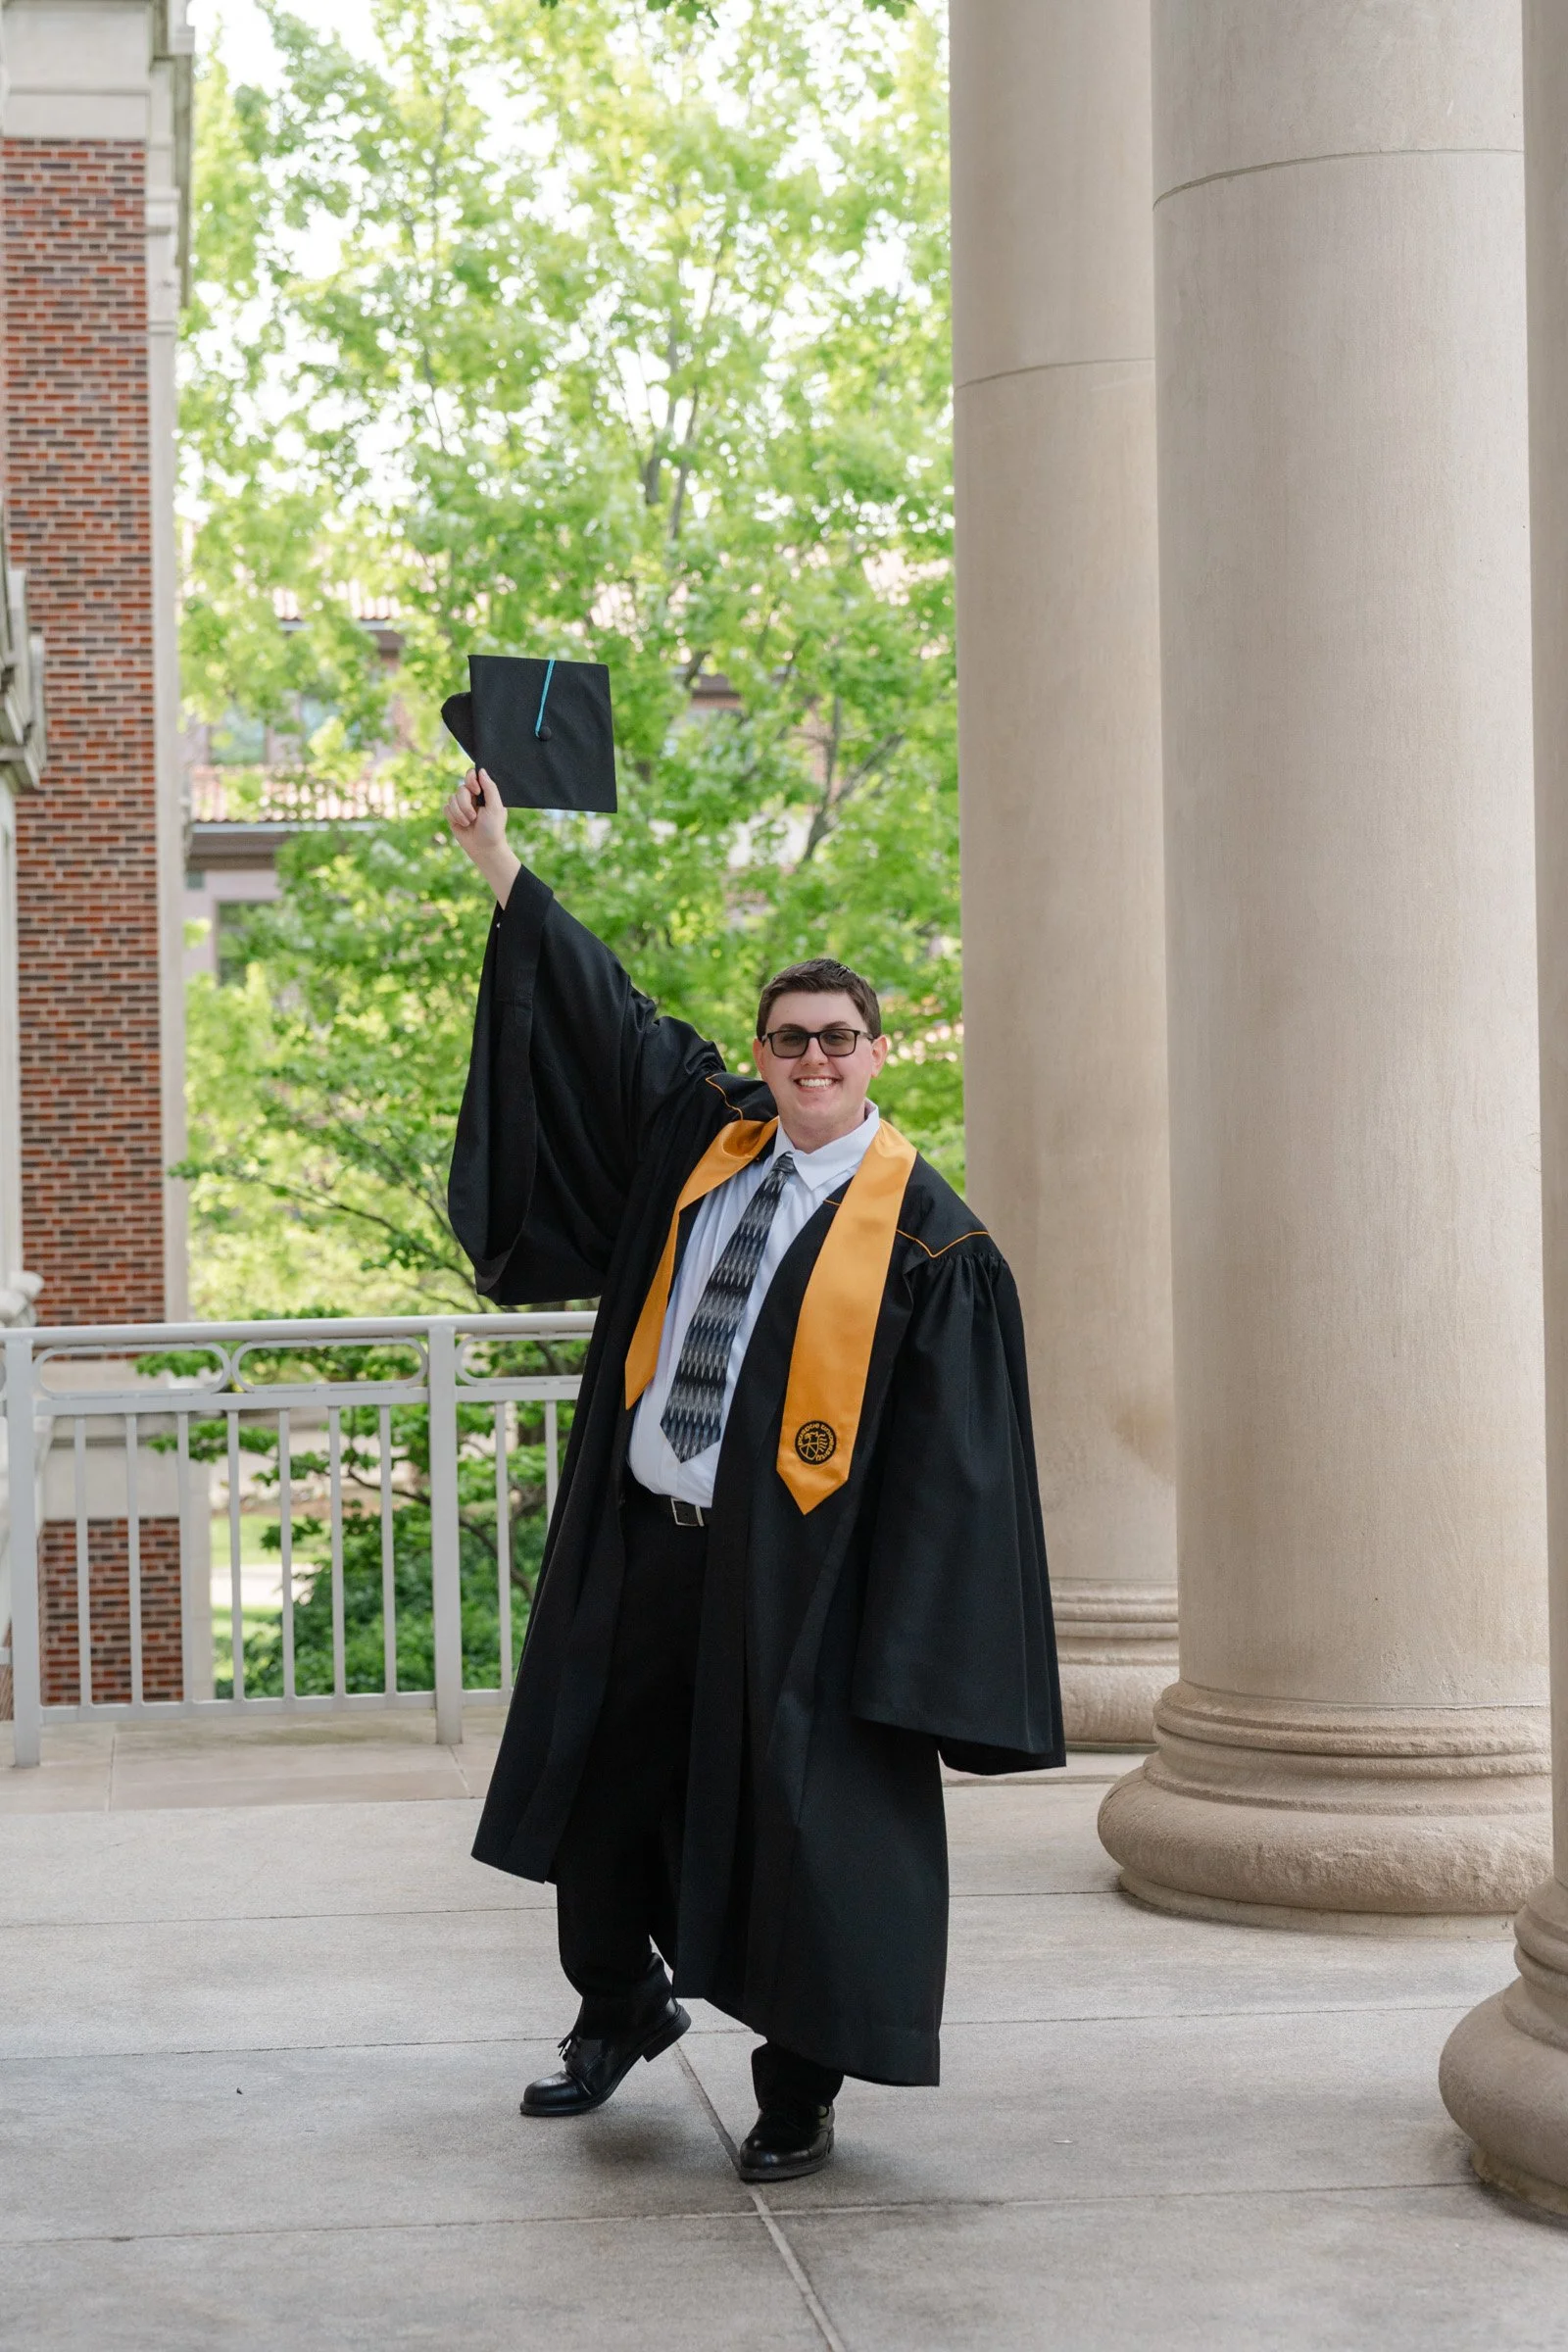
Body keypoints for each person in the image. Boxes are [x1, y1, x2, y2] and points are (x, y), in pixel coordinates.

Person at [445, 765, 1062, 2182]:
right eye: (790, 1039)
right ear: (765, 1050)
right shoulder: (704, 1145)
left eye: (839, 1039)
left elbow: (951, 1482)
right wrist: (500, 861)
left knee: (799, 1827)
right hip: (650, 1545)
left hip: (801, 1585)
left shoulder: (931, 1248)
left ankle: (799, 2088)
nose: (813, 1060)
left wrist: (902, 1649)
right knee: (601, 1782)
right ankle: (618, 2008)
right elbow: (605, 1012)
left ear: (877, 1053)